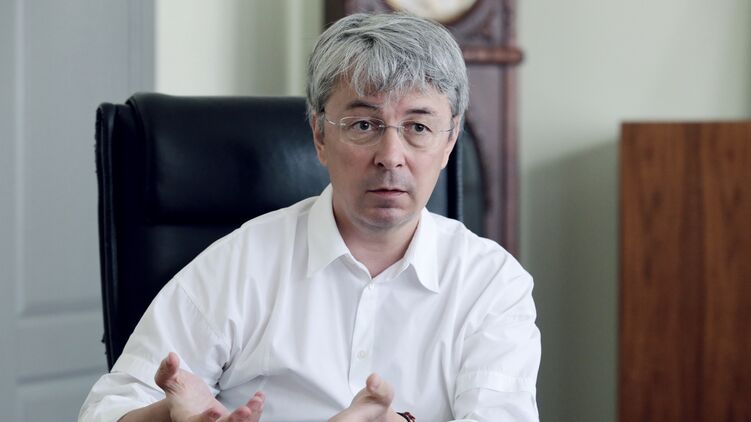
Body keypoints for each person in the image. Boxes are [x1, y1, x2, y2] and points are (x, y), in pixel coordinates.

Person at [79, 12, 540, 422]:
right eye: (364, 125)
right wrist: (167, 417)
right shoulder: (242, 263)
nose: (391, 156)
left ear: (449, 140)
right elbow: (107, 408)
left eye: (418, 127)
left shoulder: (491, 284)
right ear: (320, 135)